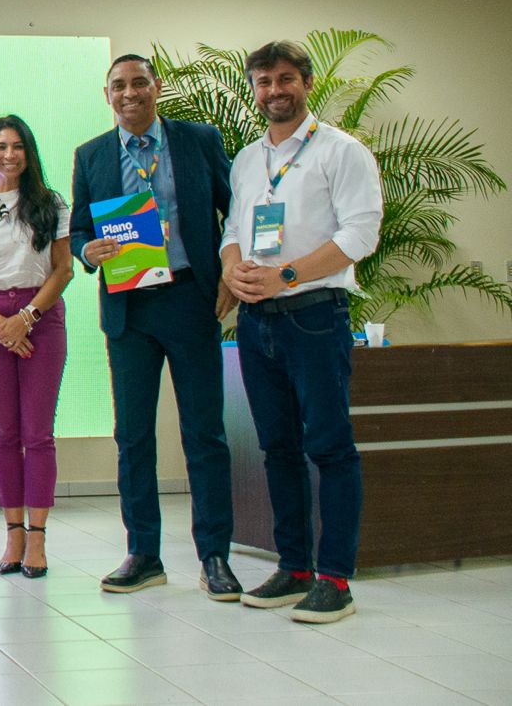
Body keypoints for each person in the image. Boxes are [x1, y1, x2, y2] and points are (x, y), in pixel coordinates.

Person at [70, 54, 242, 599]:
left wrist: (231, 272)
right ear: (107, 95)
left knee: (204, 434)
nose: (129, 93)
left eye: (139, 83)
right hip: (129, 309)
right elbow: (79, 230)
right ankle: (143, 553)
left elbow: (234, 212)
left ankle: (215, 556)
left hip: (191, 299)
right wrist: (88, 252)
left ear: (156, 87)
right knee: (133, 437)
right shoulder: (92, 154)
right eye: (118, 86)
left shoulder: (198, 140)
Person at [222, 40, 381, 624]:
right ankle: (294, 568)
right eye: (264, 82)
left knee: (330, 447)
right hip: (256, 321)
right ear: (254, 89)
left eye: (286, 79)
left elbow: (360, 234)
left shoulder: (342, 151)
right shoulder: (247, 160)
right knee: (278, 449)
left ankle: (335, 578)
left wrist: (286, 274)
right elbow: (233, 230)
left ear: (307, 83)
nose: (275, 91)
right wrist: (233, 269)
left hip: (315, 315)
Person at [0, 115, 73, 579]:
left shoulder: (50, 203)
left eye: (17, 146)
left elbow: (63, 270)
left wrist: (26, 319)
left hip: (41, 317)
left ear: (29, 152)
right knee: (4, 434)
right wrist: (0, 323)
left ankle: (38, 537)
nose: (9, 155)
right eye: (0, 147)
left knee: (38, 434)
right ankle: (13, 534)